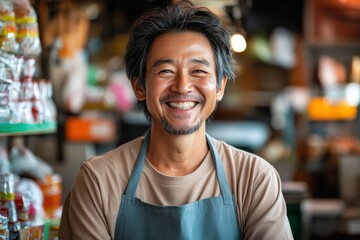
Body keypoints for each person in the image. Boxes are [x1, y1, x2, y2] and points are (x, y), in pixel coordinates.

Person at [58, 1, 294, 239]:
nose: (182, 86)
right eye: (165, 71)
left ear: (220, 87)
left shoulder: (254, 179)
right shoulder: (97, 182)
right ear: (139, 86)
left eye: (198, 71)